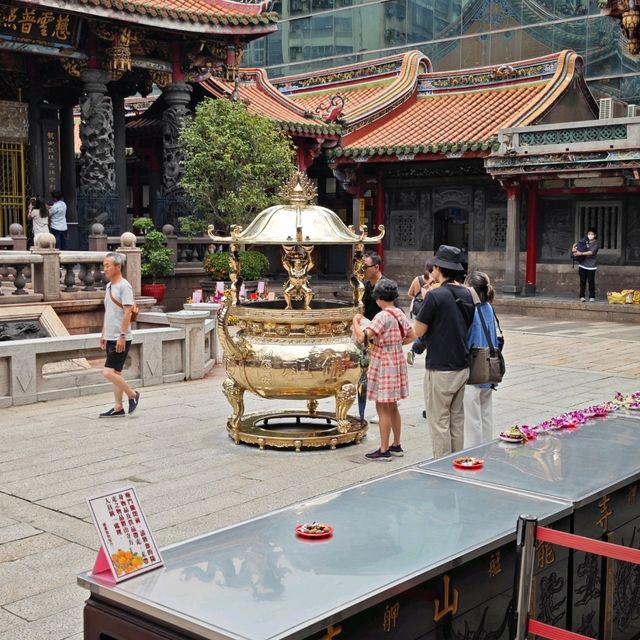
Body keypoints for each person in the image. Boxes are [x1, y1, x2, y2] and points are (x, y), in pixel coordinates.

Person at [414, 245, 475, 459]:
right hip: (462, 364)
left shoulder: (435, 296)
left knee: (439, 420)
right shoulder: (468, 295)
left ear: (438, 268)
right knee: (456, 418)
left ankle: (441, 465)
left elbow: (418, 330)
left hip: (440, 367)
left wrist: (423, 299)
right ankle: (457, 460)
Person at [352, 279, 416, 460]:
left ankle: (383, 449)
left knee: (382, 408)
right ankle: (396, 445)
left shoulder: (382, 316)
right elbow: (412, 335)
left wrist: (356, 321)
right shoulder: (399, 314)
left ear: (379, 298)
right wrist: (395, 343)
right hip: (396, 360)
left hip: (383, 363)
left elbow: (362, 337)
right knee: (393, 406)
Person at [100, 252, 140, 417]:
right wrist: (103, 333)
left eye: (107, 266)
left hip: (120, 338)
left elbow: (127, 313)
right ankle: (118, 407)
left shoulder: (125, 287)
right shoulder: (109, 286)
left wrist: (122, 335)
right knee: (116, 373)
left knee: (107, 372)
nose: (105, 269)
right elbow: (108, 312)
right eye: (104, 266)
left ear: (118, 266)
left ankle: (132, 394)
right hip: (110, 336)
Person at [463, 271, 499, 448]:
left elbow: (469, 340)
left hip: (474, 367)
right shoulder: (489, 307)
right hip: (490, 366)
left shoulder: (470, 309)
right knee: (486, 413)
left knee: (472, 418)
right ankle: (487, 447)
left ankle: (474, 452)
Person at [572, 228, 599, 302]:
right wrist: (573, 248)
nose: (590, 235)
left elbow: (591, 252)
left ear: (595, 235)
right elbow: (575, 246)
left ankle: (592, 296)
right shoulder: (584, 241)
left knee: (591, 281)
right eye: (589, 234)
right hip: (582, 265)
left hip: (591, 266)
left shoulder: (596, 243)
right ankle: (582, 296)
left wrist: (581, 253)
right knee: (582, 281)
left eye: (592, 234)